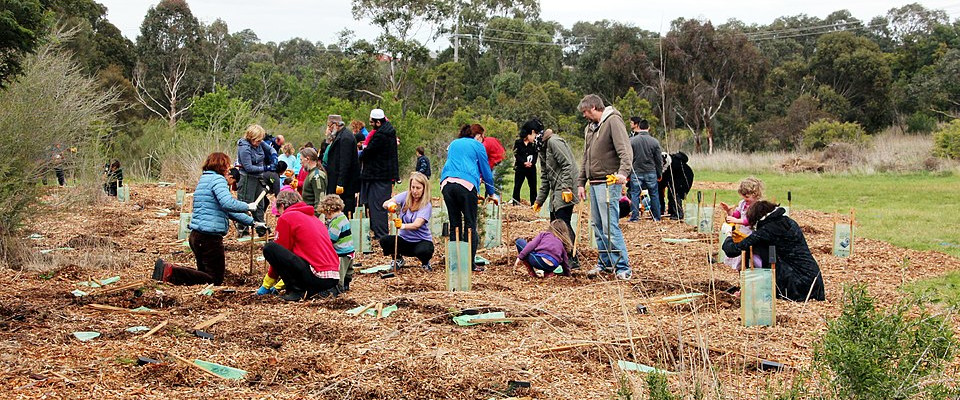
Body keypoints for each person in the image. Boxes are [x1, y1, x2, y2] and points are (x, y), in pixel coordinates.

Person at [153, 152, 258, 286]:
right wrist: (247, 206)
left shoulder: (205, 179)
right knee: (215, 280)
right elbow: (228, 203)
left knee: (204, 278)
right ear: (221, 165)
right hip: (209, 238)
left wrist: (252, 222)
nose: (228, 168)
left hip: (197, 236)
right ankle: (171, 272)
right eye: (227, 164)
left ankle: (169, 270)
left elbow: (225, 210)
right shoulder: (218, 180)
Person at [576, 94, 634, 280]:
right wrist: (581, 182)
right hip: (594, 183)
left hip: (608, 182)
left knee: (610, 225)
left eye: (585, 111)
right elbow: (586, 156)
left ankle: (623, 267)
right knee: (598, 225)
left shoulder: (613, 121)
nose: (584, 115)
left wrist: (623, 174)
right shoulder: (590, 129)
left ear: (594, 107)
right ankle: (605, 263)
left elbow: (625, 150)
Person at [722, 200, 826, 301]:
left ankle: (752, 287)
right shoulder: (788, 221)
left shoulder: (767, 230)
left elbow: (732, 250)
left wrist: (728, 235)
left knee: (753, 250)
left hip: (797, 287)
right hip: (815, 281)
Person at [258, 191, 342, 301]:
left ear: (282, 206)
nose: (279, 216)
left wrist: (267, 285)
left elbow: (280, 256)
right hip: (332, 278)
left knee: (270, 248)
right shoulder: (314, 219)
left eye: (278, 212)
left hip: (316, 276)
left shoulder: (287, 217)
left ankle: (297, 291)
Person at [441, 124, 498, 272]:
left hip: (447, 184)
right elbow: (486, 171)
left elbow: (458, 163)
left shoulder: (453, 143)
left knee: (455, 225)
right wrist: (491, 193)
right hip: (466, 186)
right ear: (478, 136)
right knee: (470, 225)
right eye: (482, 138)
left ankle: (455, 263)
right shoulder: (477, 145)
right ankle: (469, 264)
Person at [533, 128, 579, 246]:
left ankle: (572, 258)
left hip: (564, 189)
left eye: (527, 137)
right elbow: (545, 177)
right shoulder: (541, 148)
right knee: (554, 223)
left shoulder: (554, 142)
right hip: (556, 190)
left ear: (533, 132)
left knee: (562, 224)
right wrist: (539, 200)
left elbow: (567, 164)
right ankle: (559, 255)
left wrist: (566, 188)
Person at [381, 172, 435, 270]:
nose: (414, 191)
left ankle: (425, 262)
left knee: (425, 250)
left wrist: (402, 226)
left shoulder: (426, 205)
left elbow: (416, 225)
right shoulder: (405, 196)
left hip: (421, 241)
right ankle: (398, 259)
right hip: (404, 240)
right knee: (385, 240)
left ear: (424, 189)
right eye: (413, 187)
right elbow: (385, 203)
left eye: (418, 188)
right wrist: (391, 206)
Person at [359, 108, 399, 240]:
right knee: (375, 205)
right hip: (382, 175)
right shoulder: (387, 133)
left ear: (377, 122)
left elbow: (369, 152)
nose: (371, 124)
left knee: (378, 206)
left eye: (372, 122)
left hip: (379, 176)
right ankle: (379, 233)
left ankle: (382, 235)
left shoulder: (381, 136)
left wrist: (360, 154)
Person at [236, 124, 277, 235]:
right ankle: (243, 231)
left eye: (261, 140)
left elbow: (271, 149)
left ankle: (261, 228)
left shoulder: (260, 143)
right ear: (251, 138)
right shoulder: (244, 148)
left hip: (258, 177)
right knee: (245, 204)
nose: (260, 143)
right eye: (258, 141)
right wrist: (266, 168)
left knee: (260, 204)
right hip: (247, 178)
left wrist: (274, 156)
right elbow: (248, 167)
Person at [720, 177, 765, 270]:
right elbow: (736, 215)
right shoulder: (742, 203)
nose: (745, 198)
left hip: (753, 235)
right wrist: (729, 211)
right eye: (743, 196)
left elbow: (750, 221)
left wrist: (736, 221)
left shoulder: (758, 206)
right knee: (741, 259)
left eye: (747, 196)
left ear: (755, 194)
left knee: (754, 259)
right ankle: (742, 277)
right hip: (742, 235)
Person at [323, 115, 361, 215]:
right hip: (335, 177)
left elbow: (345, 162)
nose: (329, 128)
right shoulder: (338, 136)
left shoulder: (346, 138)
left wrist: (340, 183)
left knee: (344, 207)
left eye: (330, 126)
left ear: (336, 125)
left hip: (345, 183)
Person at [627, 118, 662, 221]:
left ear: (639, 127)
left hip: (636, 172)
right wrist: (659, 174)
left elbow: (628, 159)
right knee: (654, 194)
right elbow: (658, 160)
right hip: (651, 171)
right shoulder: (654, 142)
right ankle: (656, 217)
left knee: (635, 194)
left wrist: (628, 174)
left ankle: (634, 217)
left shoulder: (632, 141)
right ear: (649, 128)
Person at [319, 195, 355, 292]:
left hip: (341, 251)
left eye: (326, 214)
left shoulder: (336, 222)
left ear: (329, 211)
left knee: (340, 272)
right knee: (348, 270)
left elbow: (332, 238)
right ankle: (347, 284)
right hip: (349, 249)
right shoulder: (343, 217)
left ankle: (339, 288)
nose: (326, 217)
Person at [659, 151, 694, 220]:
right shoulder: (669, 163)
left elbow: (665, 179)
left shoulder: (673, 165)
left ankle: (678, 214)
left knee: (675, 194)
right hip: (676, 178)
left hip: (684, 179)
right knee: (671, 194)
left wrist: (660, 187)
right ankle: (671, 211)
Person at [512, 121, 539, 205]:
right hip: (520, 167)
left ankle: (534, 203)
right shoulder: (518, 142)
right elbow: (516, 154)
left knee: (533, 186)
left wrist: (532, 163)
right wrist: (523, 162)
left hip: (531, 168)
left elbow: (536, 154)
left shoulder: (534, 144)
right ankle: (515, 203)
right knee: (517, 186)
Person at [299, 147, 327, 217]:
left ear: (307, 159)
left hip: (314, 217)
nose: (300, 162)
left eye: (301, 160)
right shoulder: (311, 174)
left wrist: (314, 217)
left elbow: (320, 200)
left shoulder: (316, 176)